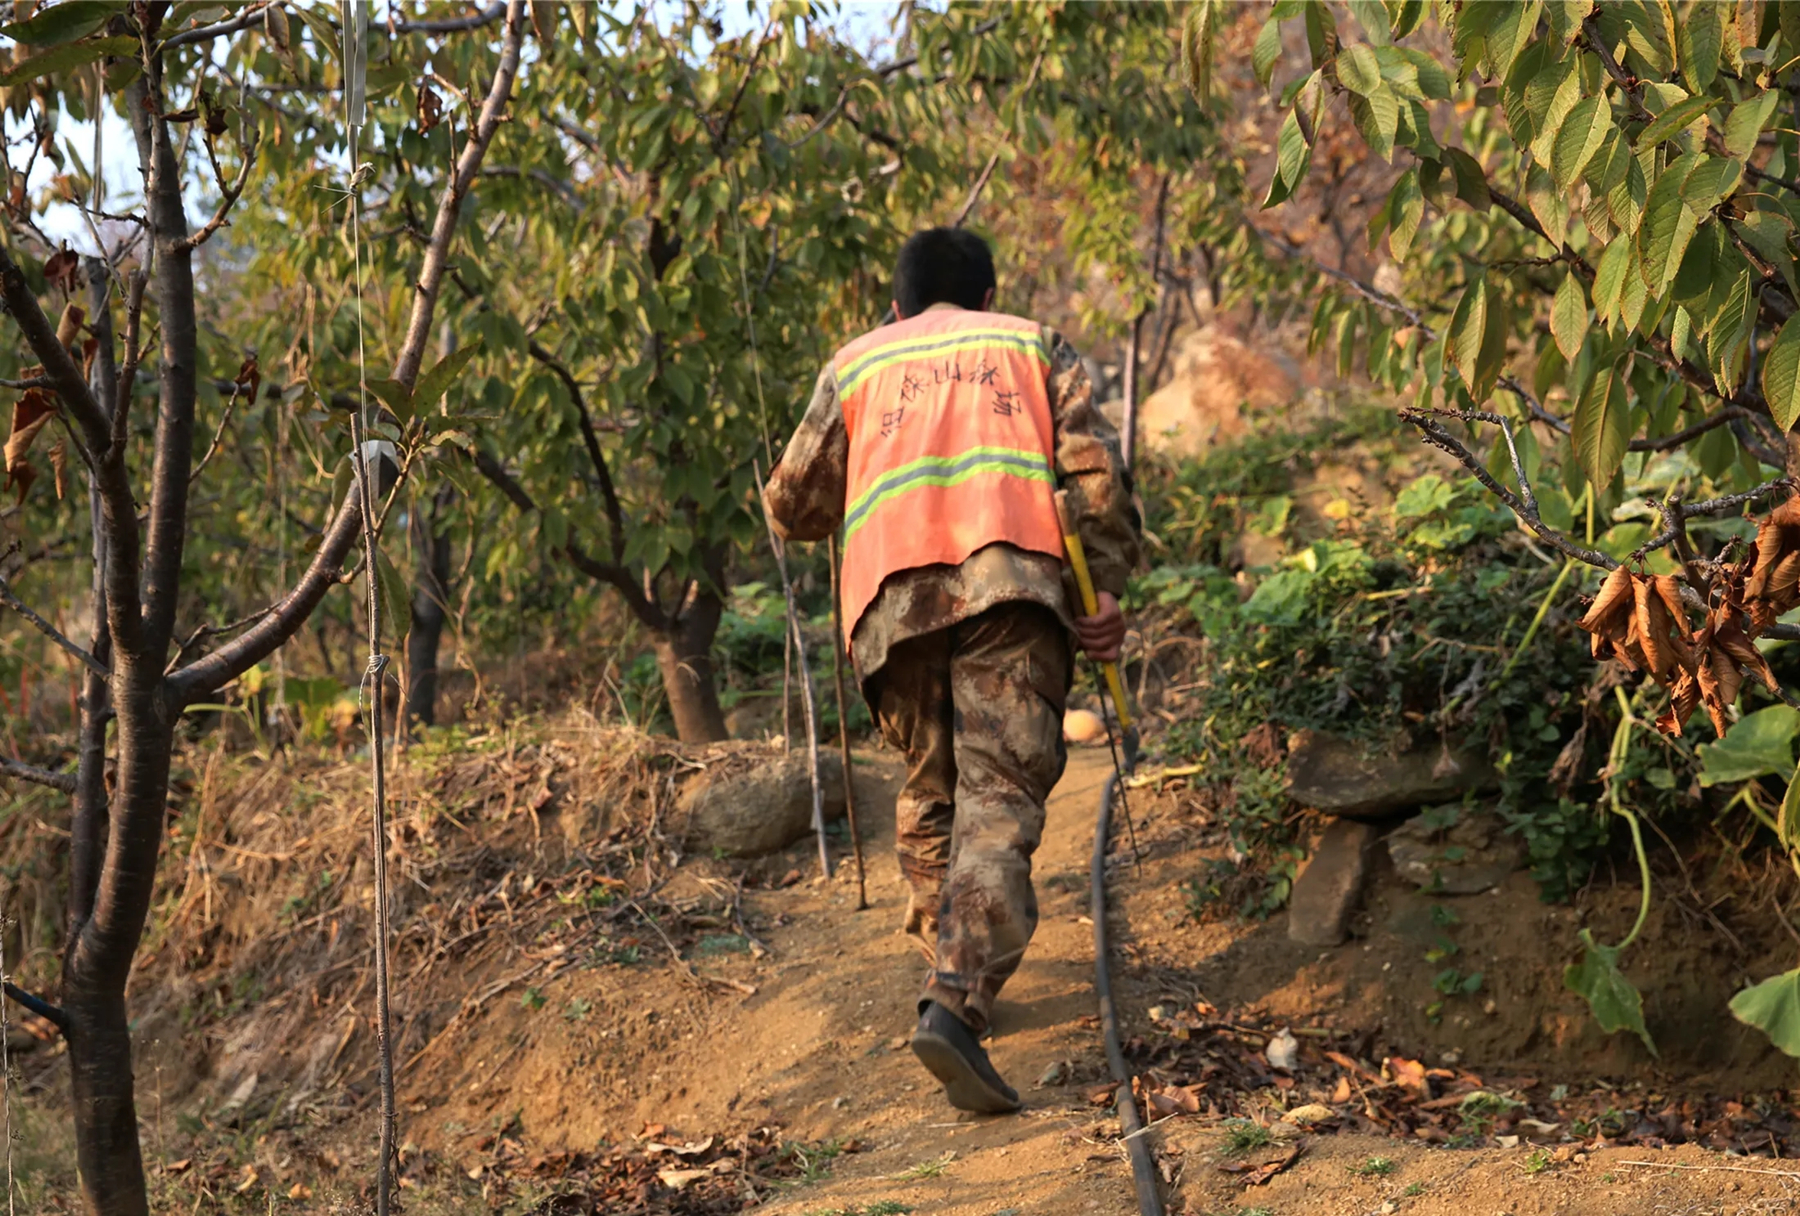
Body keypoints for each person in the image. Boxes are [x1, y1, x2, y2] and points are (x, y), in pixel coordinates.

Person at [762, 226, 1140, 1113]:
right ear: (984, 294)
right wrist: (1106, 589)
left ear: (896, 306)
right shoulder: (1030, 342)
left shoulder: (853, 364)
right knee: (999, 799)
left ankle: (951, 967)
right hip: (1011, 588)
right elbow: (1094, 478)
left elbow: (794, 504)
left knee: (935, 791)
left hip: (890, 611)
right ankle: (957, 996)